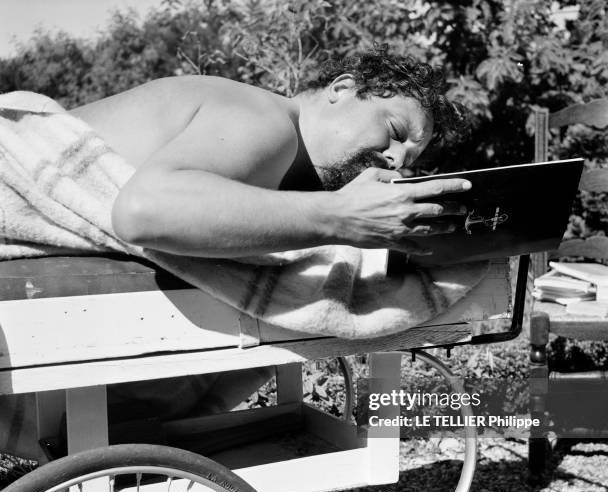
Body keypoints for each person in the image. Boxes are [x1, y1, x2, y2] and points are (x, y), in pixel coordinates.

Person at [69, 45, 472, 417]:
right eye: (397, 132)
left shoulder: (283, 163)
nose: (396, 159)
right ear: (343, 89)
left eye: (410, 157)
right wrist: (338, 216)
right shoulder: (267, 120)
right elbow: (143, 210)